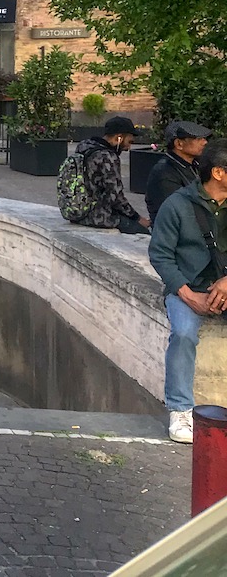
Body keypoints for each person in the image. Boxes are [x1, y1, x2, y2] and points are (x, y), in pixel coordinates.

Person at [149, 138, 227, 443]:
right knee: (183, 334)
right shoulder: (177, 205)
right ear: (218, 173)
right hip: (187, 286)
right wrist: (186, 294)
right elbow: (160, 255)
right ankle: (180, 409)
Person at [72, 115, 151, 235]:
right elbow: (116, 196)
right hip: (97, 216)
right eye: (129, 142)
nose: (128, 148)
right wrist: (137, 218)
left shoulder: (84, 147)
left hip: (77, 211)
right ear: (119, 137)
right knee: (144, 233)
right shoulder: (107, 157)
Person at [146, 121, 213, 221]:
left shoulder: (196, 164)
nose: (205, 142)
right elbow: (178, 210)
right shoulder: (164, 172)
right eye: (199, 139)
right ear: (179, 144)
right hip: (176, 226)